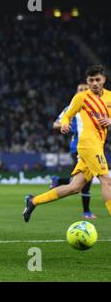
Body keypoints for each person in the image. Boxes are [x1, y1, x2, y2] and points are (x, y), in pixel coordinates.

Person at [23, 65, 111, 222]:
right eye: (91, 80)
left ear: (104, 79)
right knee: (106, 180)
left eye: (98, 79)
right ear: (87, 81)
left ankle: (33, 201)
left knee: (74, 187)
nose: (95, 83)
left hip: (98, 144)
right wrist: (64, 124)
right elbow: (67, 115)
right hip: (87, 144)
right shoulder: (81, 97)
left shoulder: (110, 97)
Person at [51, 84, 96, 219]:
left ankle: (58, 181)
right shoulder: (71, 108)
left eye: (85, 90)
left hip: (92, 146)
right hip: (78, 147)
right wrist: (65, 125)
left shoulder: (93, 107)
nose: (83, 92)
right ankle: (86, 212)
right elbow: (55, 124)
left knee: (78, 181)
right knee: (86, 181)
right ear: (76, 93)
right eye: (80, 90)